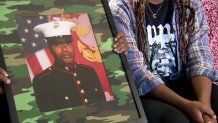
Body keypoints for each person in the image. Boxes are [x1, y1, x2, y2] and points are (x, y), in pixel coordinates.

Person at [109, 0, 218, 123]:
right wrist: (186, 105)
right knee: (175, 119)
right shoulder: (121, 7)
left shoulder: (191, 5)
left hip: (183, 81)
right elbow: (137, 72)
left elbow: (200, 58)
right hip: (148, 92)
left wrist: (205, 107)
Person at [0, 21, 128, 112]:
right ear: (50, 49)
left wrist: (119, 50)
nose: (64, 48)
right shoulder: (41, 81)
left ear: (73, 45)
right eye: (57, 45)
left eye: (67, 42)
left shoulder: (89, 71)